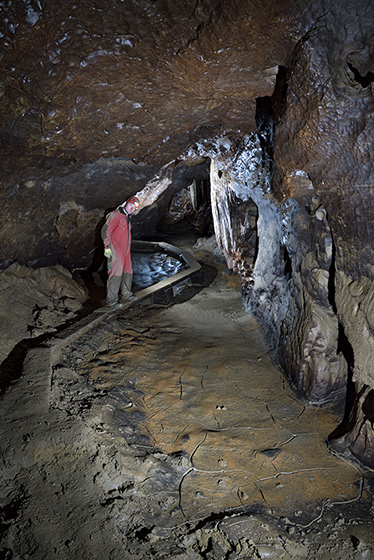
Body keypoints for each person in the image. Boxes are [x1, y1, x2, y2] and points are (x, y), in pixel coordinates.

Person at [101, 196, 140, 308]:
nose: (131, 209)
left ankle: (126, 294)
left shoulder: (128, 217)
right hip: (115, 249)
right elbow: (105, 230)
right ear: (126, 204)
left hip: (125, 250)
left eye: (134, 208)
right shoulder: (115, 215)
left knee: (128, 271)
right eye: (130, 206)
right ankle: (112, 300)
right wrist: (107, 247)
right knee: (116, 273)